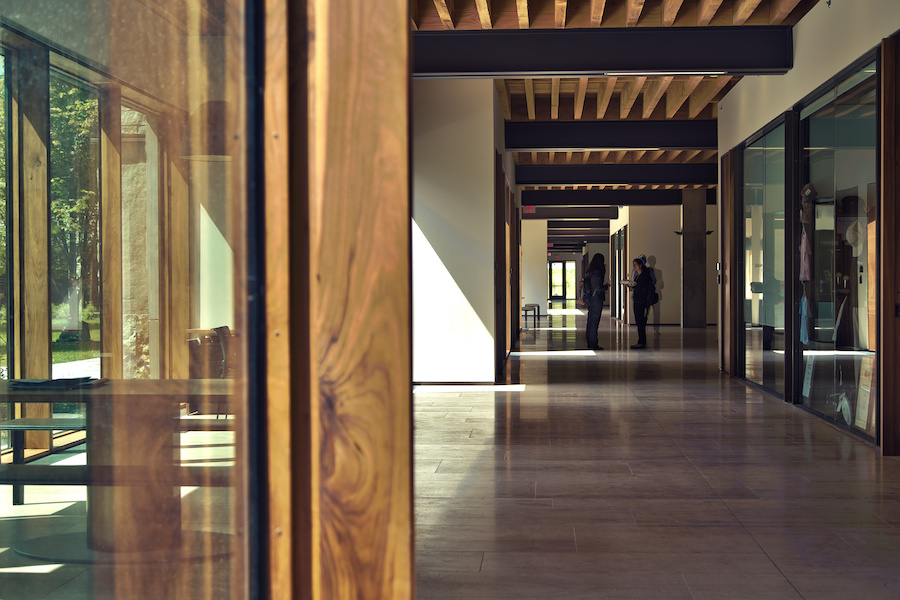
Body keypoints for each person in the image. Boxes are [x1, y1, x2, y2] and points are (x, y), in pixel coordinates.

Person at [584, 253, 607, 350]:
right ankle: (593, 344)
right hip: (596, 299)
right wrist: (606, 287)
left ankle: (590, 342)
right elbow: (598, 288)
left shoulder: (590, 271)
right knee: (594, 323)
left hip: (591, 299)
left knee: (590, 322)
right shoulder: (597, 272)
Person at [629, 257, 653, 349]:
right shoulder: (638, 275)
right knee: (639, 321)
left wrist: (634, 287)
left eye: (635, 264)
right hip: (637, 299)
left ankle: (641, 341)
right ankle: (642, 340)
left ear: (640, 265)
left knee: (640, 321)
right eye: (633, 264)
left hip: (641, 301)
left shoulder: (644, 276)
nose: (633, 266)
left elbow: (642, 288)